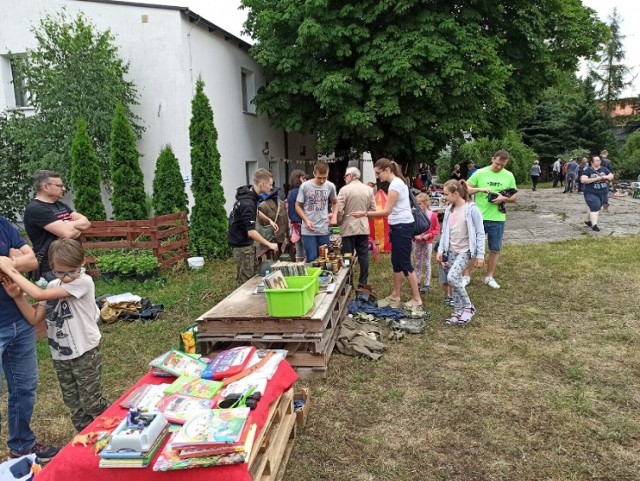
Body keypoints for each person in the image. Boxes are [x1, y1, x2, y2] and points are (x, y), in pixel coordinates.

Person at [0, 239, 109, 432]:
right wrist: (17, 296)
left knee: (92, 402)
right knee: (74, 406)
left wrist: (11, 269)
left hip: (85, 352)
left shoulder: (83, 282)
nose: (67, 278)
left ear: (82, 263)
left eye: (71, 271)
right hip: (61, 356)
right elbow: (34, 318)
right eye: (60, 272)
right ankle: (88, 439)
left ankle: (116, 428)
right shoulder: (51, 286)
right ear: (51, 267)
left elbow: (39, 295)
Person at [0, 215, 59, 462]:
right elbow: (21, 262)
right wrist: (12, 262)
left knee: (25, 388)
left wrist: (8, 263)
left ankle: (22, 444)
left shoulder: (2, 224)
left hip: (18, 321)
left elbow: (33, 260)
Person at [352, 158, 423, 309]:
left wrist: (364, 213)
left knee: (404, 264)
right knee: (396, 262)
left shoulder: (395, 185)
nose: (378, 177)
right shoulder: (396, 183)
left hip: (403, 227)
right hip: (398, 227)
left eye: (378, 173)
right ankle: (395, 294)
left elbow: (386, 211)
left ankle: (417, 298)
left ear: (387, 170)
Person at [23, 171, 91, 282]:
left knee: (77, 298)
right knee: (58, 299)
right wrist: (76, 228)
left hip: (72, 262)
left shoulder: (60, 205)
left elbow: (86, 223)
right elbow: (67, 234)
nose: (63, 188)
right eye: (59, 185)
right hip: (54, 268)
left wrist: (68, 225)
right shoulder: (36, 209)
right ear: (45, 187)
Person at [465, 150, 518, 289]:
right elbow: (465, 188)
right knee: (473, 247)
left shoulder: (509, 175)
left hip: (497, 218)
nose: (499, 167)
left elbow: (514, 196)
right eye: (497, 163)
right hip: (479, 217)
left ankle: (489, 277)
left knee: (495, 248)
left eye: (503, 165)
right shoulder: (480, 173)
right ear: (492, 159)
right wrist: (481, 189)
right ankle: (466, 275)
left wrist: (503, 198)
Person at [437, 180, 485, 325]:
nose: (444, 197)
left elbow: (480, 233)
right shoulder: (448, 210)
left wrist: (480, 254)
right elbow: (445, 230)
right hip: (451, 250)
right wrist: (440, 249)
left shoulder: (471, 209)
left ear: (456, 193)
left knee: (451, 278)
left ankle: (469, 306)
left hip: (465, 251)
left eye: (446, 194)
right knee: (455, 281)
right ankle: (457, 312)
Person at [228, 168, 279, 285]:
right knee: (246, 280)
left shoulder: (250, 194)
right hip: (242, 244)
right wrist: (269, 244)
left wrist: (269, 220)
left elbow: (254, 211)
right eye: (270, 185)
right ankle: (241, 301)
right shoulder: (248, 203)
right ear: (262, 184)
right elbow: (251, 232)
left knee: (249, 274)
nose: (271, 188)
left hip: (243, 241)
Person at [335, 167, 376, 289]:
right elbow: (373, 210)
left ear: (350, 176)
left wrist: (339, 221)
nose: (345, 178)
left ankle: (348, 280)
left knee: (347, 255)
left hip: (348, 227)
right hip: (363, 227)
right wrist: (365, 218)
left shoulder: (344, 190)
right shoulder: (369, 189)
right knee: (363, 255)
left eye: (345, 176)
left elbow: (340, 210)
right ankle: (363, 281)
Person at [295, 161, 338, 262]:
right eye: (319, 177)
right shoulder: (305, 186)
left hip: (324, 228)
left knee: (324, 258)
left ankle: (323, 278)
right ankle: (313, 277)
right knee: (312, 258)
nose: (322, 181)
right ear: (314, 174)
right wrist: (306, 220)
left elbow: (335, 202)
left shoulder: (330, 186)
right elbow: (297, 206)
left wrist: (335, 216)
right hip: (308, 230)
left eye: (325, 177)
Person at [413, 193, 441, 293]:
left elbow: (436, 229)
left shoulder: (432, 215)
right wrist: (414, 235)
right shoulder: (415, 214)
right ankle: (416, 281)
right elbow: (413, 227)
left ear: (426, 203)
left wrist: (428, 235)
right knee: (417, 262)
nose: (417, 206)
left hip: (427, 242)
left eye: (419, 203)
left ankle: (427, 284)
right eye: (416, 204)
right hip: (417, 242)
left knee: (427, 262)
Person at [580, 155, 613, 232]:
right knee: (595, 207)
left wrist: (607, 177)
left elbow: (611, 175)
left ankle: (587, 220)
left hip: (603, 193)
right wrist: (598, 178)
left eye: (599, 160)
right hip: (591, 193)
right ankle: (594, 225)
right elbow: (583, 180)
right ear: (592, 162)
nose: (599, 161)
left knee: (596, 207)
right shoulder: (587, 170)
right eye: (597, 160)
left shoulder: (604, 169)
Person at [257, 187, 289, 259]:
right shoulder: (263, 206)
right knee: (270, 258)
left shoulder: (282, 203)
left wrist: (287, 235)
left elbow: (286, 220)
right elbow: (263, 225)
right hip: (270, 237)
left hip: (281, 236)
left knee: (280, 255)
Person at [287, 170, 307, 262]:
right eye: (303, 178)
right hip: (303, 222)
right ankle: (307, 268)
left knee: (299, 250)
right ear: (298, 179)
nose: (306, 180)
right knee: (307, 249)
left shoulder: (291, 192)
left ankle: (298, 269)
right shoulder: (301, 191)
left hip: (295, 223)